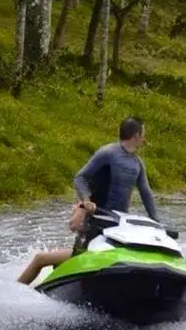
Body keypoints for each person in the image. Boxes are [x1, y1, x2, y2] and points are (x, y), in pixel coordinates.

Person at [17, 116, 160, 285]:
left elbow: (146, 194)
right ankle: (20, 289)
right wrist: (86, 200)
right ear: (136, 135)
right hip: (95, 222)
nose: (145, 138)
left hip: (118, 226)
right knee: (57, 257)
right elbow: (80, 177)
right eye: (143, 134)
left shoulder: (138, 164)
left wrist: (158, 224)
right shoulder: (107, 153)